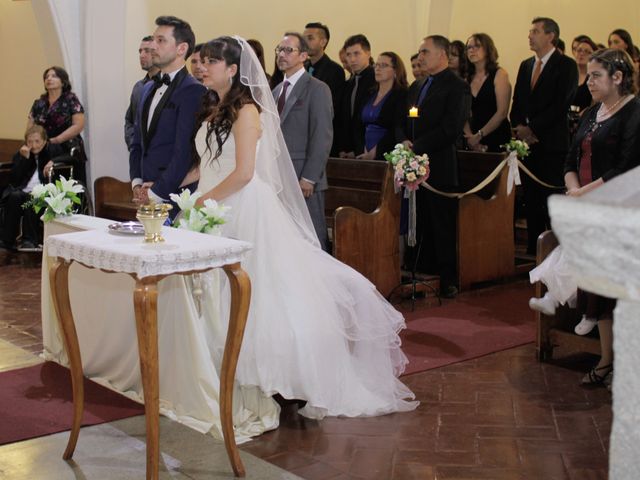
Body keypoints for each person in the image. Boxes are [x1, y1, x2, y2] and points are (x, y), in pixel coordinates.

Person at [191, 35, 418, 419]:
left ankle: (267, 377)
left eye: (211, 61)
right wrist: (179, 192)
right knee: (213, 293)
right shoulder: (213, 108)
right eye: (202, 61)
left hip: (240, 206)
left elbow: (244, 173)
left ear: (232, 69)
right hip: (213, 204)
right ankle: (215, 372)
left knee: (258, 295)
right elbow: (210, 162)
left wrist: (200, 201)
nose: (202, 67)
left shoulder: (247, 110)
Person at [563, 48, 640, 386]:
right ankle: (607, 359)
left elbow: (627, 166)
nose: (588, 81)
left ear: (618, 77)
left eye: (595, 75)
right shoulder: (592, 113)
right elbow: (569, 159)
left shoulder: (634, 112)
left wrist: (584, 193)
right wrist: (574, 189)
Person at [397, 35, 470, 298]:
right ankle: (423, 273)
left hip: (440, 166)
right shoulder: (418, 86)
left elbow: (450, 129)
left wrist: (417, 146)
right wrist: (404, 140)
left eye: (425, 52)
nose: (420, 57)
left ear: (442, 55)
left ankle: (448, 278)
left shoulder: (457, 86)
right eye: (419, 52)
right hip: (415, 164)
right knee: (421, 221)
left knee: (441, 225)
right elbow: (405, 118)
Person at [510, 17, 578, 255]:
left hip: (551, 143)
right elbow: (517, 100)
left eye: (536, 31)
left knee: (552, 198)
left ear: (551, 36)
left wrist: (534, 129)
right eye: (530, 31)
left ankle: (558, 248)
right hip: (528, 145)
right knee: (531, 198)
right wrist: (518, 127)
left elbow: (562, 103)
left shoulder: (566, 65)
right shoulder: (526, 65)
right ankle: (534, 248)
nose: (530, 35)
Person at [129, 15, 206, 207]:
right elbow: (137, 142)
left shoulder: (193, 90)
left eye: (161, 40)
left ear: (182, 48)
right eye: (154, 39)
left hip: (174, 195)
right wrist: (137, 183)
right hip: (144, 192)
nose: (153, 46)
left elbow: (184, 151)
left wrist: (156, 192)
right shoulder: (146, 88)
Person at [272, 32, 333, 250]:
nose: (282, 54)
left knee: (311, 237)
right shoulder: (277, 90)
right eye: (279, 49)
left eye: (288, 50)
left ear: (304, 55)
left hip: (303, 177)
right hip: (279, 175)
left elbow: (322, 135)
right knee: (286, 238)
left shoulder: (317, 88)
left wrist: (309, 177)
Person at [0, 126, 62, 252]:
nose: (33, 145)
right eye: (30, 142)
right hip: (24, 190)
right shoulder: (21, 154)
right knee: (14, 196)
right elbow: (15, 178)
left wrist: (53, 162)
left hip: (44, 190)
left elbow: (71, 157)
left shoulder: (52, 150)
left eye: (37, 141)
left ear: (45, 141)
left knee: (32, 198)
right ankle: (7, 240)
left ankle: (29, 240)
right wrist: (25, 159)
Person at [462, 33, 512, 153]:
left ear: (488, 49)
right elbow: (462, 112)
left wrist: (479, 135)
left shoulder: (499, 74)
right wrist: (470, 137)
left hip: (496, 134)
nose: (472, 50)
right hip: (473, 136)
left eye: (477, 46)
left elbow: (502, 112)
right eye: (469, 47)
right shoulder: (466, 79)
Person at [355, 52, 408, 160]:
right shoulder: (369, 93)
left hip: (388, 153)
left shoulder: (401, 95)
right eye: (376, 65)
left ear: (395, 71)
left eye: (383, 65)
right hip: (363, 152)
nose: (378, 69)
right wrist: (363, 149)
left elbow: (396, 127)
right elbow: (358, 124)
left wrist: (376, 151)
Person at [303, 22, 345, 155]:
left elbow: (332, 106)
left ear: (323, 42)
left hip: (322, 136)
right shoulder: (301, 67)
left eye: (310, 38)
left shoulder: (334, 70)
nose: (304, 43)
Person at [27, 66, 85, 156]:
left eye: (54, 76)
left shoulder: (71, 99)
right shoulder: (39, 103)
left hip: (68, 149)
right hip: (42, 149)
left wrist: (57, 140)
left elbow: (79, 125)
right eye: (47, 77)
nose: (49, 79)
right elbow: (30, 128)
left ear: (63, 82)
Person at [337, 34, 376, 157]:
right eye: (348, 55)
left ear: (368, 54)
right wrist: (343, 148)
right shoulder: (348, 83)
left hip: (368, 150)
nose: (352, 59)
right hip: (347, 150)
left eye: (356, 54)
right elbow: (344, 118)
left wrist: (358, 150)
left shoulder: (377, 81)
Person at [124, 36, 160, 150]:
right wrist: (133, 144)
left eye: (147, 51)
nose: (142, 55)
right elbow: (130, 120)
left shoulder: (169, 86)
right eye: (140, 51)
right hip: (139, 156)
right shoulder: (138, 87)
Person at [571, 37, 597, 112]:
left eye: (587, 51)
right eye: (579, 50)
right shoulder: (569, 75)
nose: (582, 54)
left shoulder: (595, 79)